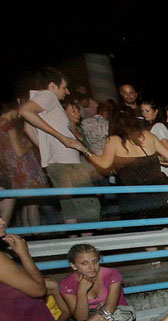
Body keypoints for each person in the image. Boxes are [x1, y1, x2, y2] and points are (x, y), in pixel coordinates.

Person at [19, 67, 100, 225]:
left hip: (55, 163)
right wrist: (61, 137)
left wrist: (46, 149)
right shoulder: (47, 96)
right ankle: (88, 240)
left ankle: (74, 239)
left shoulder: (36, 98)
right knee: (88, 209)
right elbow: (24, 111)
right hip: (68, 163)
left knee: (70, 209)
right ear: (52, 86)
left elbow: (27, 129)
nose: (67, 92)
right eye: (64, 87)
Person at [74, 110, 168, 218]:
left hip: (130, 194)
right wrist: (153, 159)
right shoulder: (148, 135)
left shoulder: (113, 140)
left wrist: (85, 150)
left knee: (134, 224)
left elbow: (104, 164)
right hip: (153, 192)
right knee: (157, 222)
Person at [0, 102, 47, 226]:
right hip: (24, 170)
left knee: (26, 205)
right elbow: (19, 152)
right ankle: (36, 234)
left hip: (9, 169)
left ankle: (27, 234)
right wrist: (32, 142)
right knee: (33, 205)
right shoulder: (9, 126)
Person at [141, 100, 168, 183]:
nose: (144, 114)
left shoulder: (158, 127)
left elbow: (167, 153)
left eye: (147, 111)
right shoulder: (157, 126)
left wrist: (152, 160)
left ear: (156, 111)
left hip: (163, 172)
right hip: (164, 172)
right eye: (142, 111)